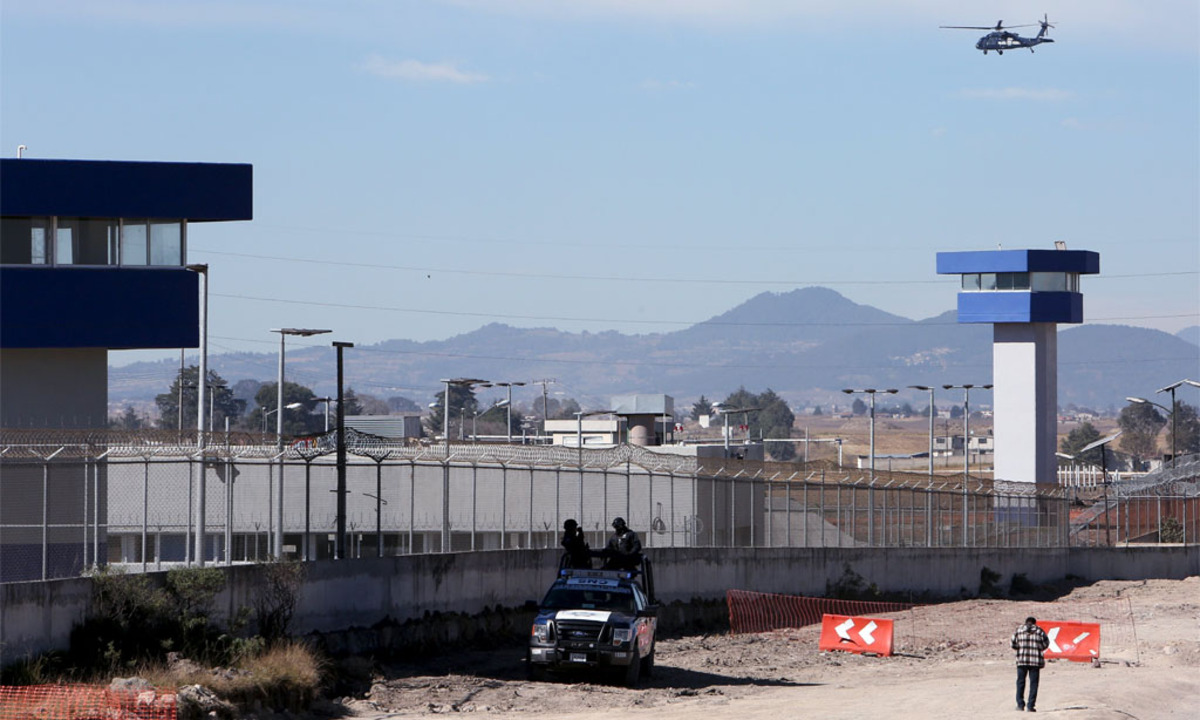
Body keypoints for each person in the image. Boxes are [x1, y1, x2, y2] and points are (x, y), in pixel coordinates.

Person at [1011, 616, 1050, 712]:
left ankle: (1020, 704)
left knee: (1020, 682)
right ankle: (1030, 705)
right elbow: (1046, 643)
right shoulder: (1039, 631)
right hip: (1035, 661)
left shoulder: (1019, 630)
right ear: (1035, 623)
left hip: (1022, 660)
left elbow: (1013, 643)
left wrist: (1020, 648)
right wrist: (1038, 648)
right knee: (1034, 684)